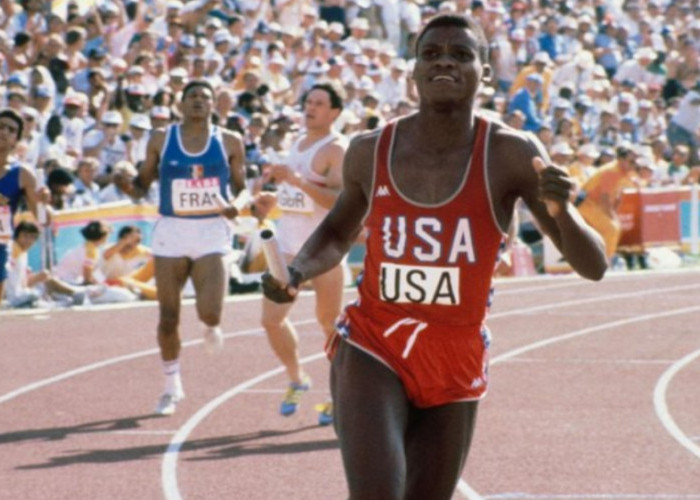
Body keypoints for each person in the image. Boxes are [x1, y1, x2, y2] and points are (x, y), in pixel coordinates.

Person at [262, 14, 608, 500]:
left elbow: (594, 266)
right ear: (414, 71)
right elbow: (337, 231)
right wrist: (296, 272)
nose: (444, 61)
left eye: (461, 54)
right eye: (431, 53)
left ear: (485, 73)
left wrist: (563, 212)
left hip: (455, 352)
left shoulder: (511, 153)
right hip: (375, 342)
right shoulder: (370, 149)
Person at [115, 79, 248, 416]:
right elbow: (141, 186)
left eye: (205, 96)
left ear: (214, 104)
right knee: (168, 315)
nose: (198, 101)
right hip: (172, 232)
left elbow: (242, 188)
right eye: (192, 96)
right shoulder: (161, 138)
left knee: (211, 312)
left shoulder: (229, 140)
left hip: (212, 232)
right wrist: (123, 181)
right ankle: (171, 386)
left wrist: (236, 205)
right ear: (181, 104)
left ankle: (210, 325)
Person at [259, 82, 348, 426]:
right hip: (287, 248)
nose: (310, 108)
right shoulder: (297, 142)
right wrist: (272, 201)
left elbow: (339, 201)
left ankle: (340, 393)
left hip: (322, 250)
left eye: (319, 103)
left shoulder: (336, 149)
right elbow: (297, 200)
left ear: (335, 112)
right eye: (308, 102)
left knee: (329, 324)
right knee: (271, 320)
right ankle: (298, 379)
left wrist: (296, 181)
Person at [0, 108, 39, 304]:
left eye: (11, 130)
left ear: (16, 139)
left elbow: (40, 217)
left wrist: (44, 202)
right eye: (1, 126)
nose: (4, 132)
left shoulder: (23, 174)